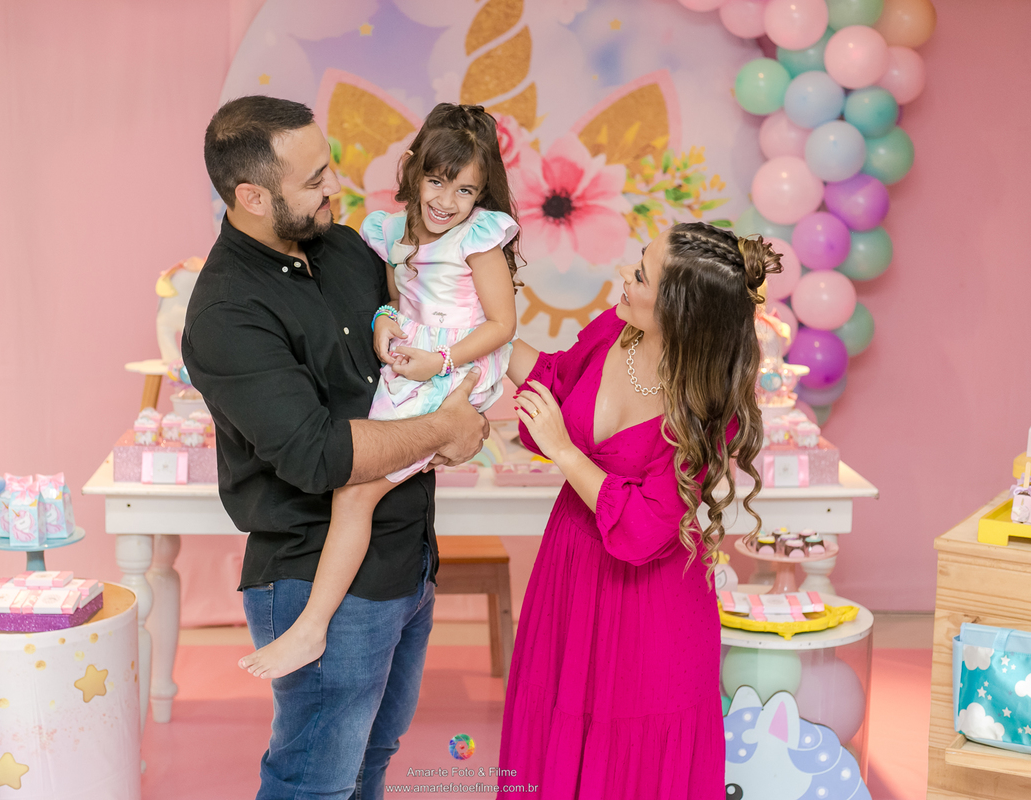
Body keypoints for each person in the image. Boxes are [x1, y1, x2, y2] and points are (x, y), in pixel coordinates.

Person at [182, 95, 488, 800]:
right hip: (314, 575)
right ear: (253, 196)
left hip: (407, 557)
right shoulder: (228, 312)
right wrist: (444, 429)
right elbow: (319, 455)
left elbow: (415, 342)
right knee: (313, 782)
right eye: (314, 179)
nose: (334, 187)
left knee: (370, 761)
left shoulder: (347, 249)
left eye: (329, 167)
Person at [239, 102, 521, 680]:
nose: (447, 201)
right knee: (360, 478)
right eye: (437, 181)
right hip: (413, 363)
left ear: (481, 194)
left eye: (466, 190)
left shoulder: (478, 239)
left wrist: (440, 360)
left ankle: (311, 629)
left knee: (355, 494)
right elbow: (393, 298)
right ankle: (317, 624)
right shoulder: (390, 231)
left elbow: (502, 324)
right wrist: (383, 320)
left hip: (456, 368)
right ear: (413, 168)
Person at [497, 222, 777, 798]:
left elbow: (647, 525)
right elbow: (553, 381)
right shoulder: (615, 333)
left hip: (648, 607)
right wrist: (480, 333)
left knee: (633, 759)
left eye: (642, 274)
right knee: (554, 730)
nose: (624, 275)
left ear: (680, 312)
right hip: (569, 574)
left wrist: (564, 452)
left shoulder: (709, 410)